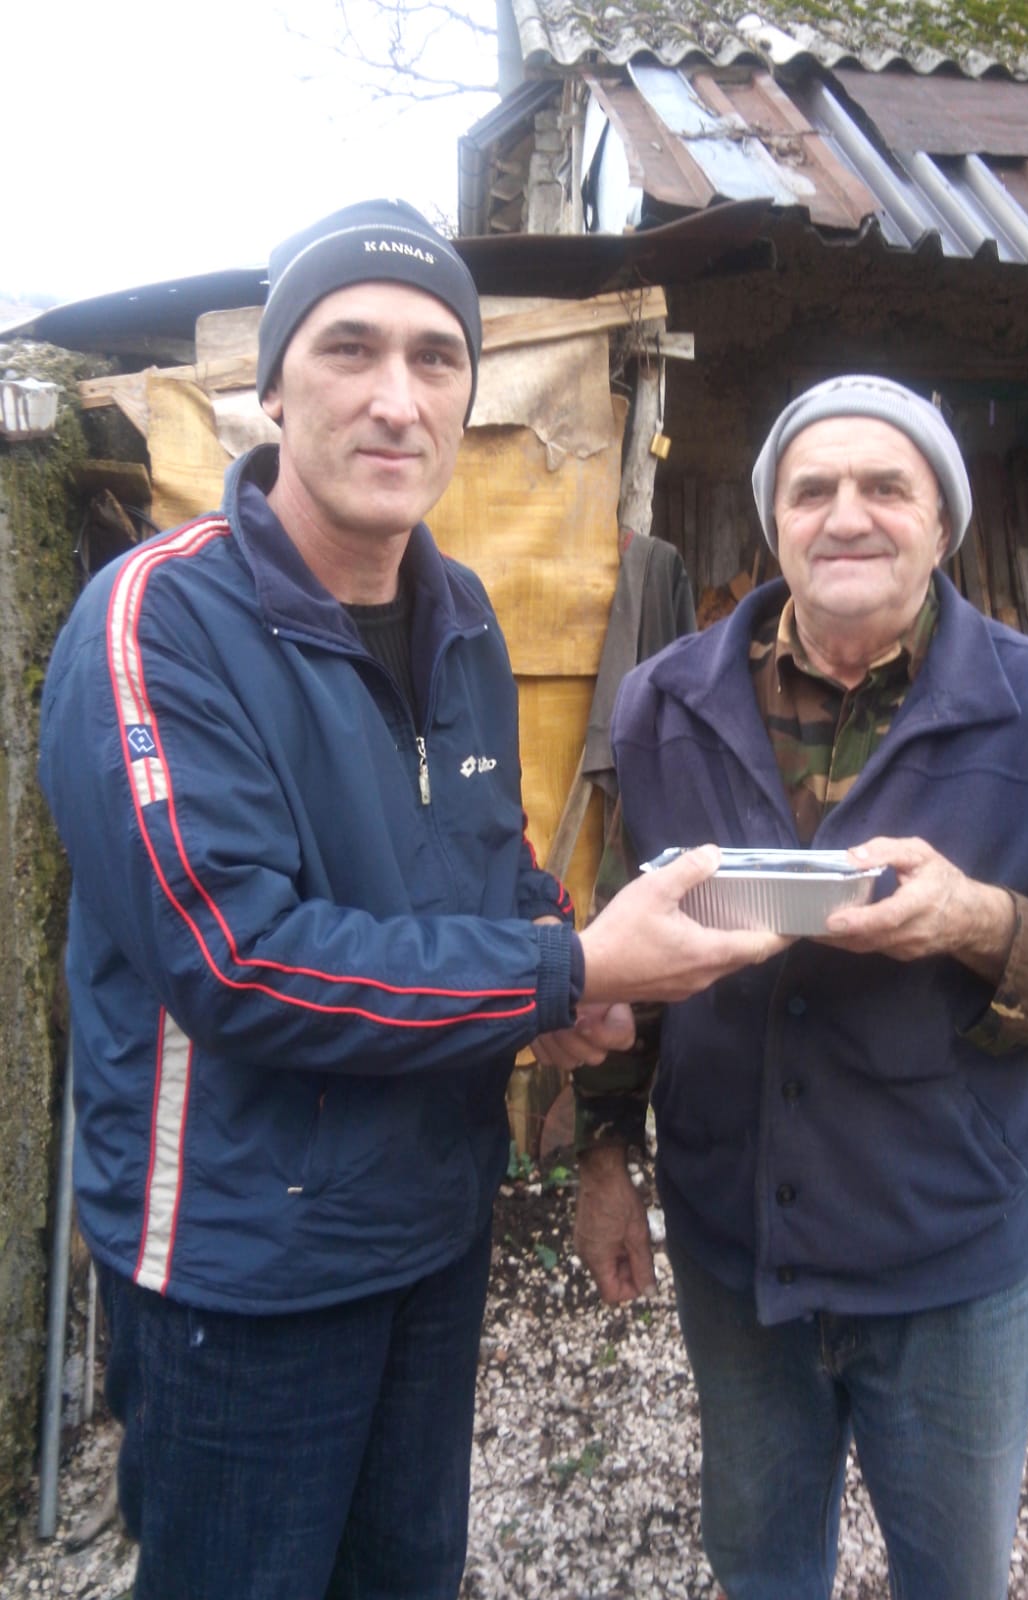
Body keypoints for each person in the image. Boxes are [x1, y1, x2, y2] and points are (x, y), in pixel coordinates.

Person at [37, 197, 791, 1600]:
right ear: (271, 390)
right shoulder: (160, 622)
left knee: (406, 1575)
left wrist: (564, 957)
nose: (398, 398)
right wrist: (562, 974)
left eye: (437, 358)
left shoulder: (465, 618)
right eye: (351, 349)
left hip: (433, 1221)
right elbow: (239, 959)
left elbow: (484, 860)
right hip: (245, 1259)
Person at [572, 374, 1028, 1600]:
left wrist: (980, 922)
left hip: (947, 1255)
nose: (846, 514)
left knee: (951, 1575)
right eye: (813, 490)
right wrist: (602, 1154)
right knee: (761, 1561)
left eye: (886, 487)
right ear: (776, 523)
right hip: (736, 1246)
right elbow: (625, 955)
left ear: (941, 522)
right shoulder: (664, 708)